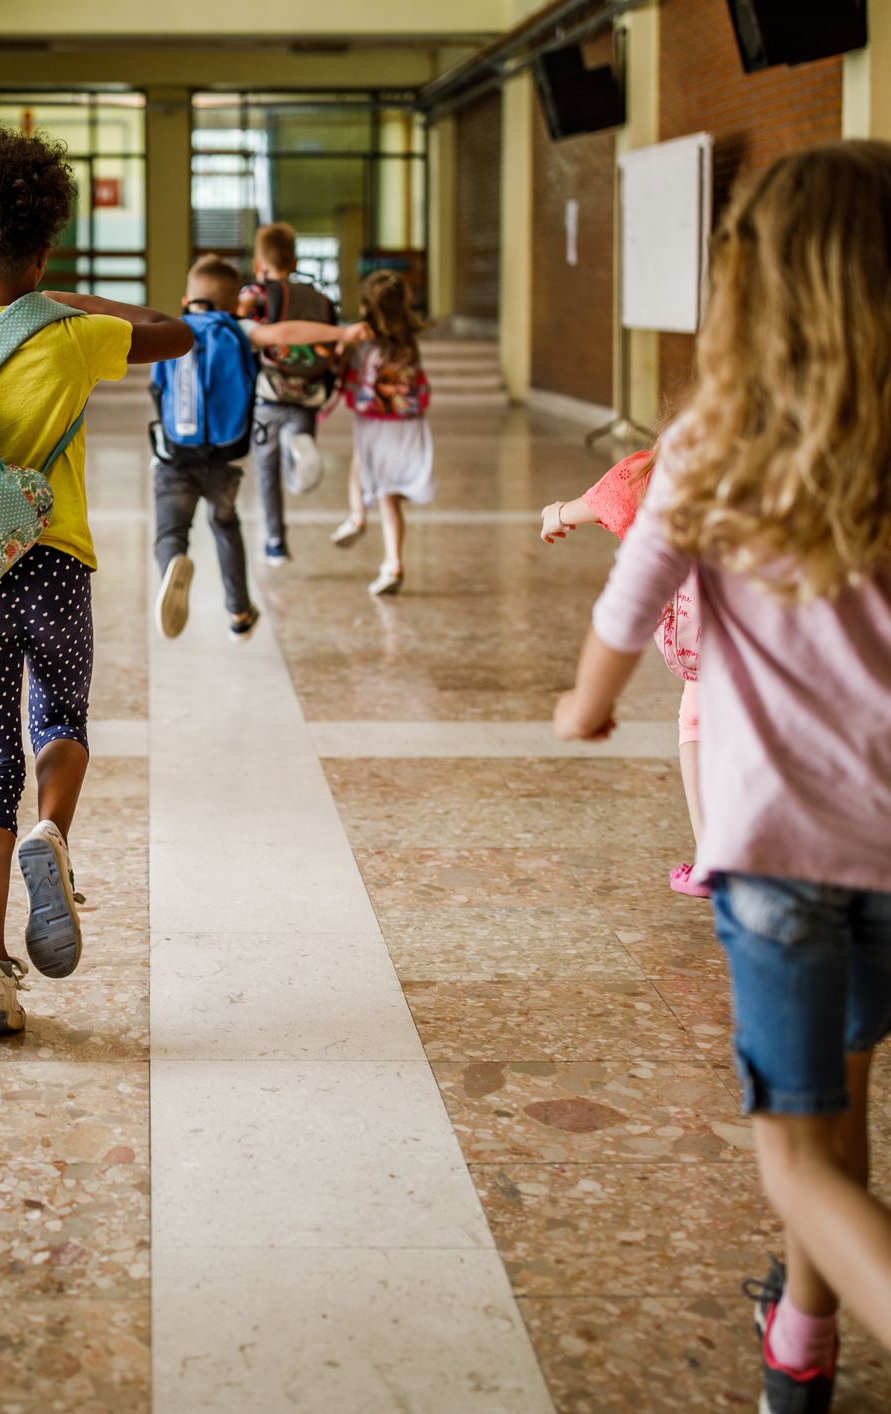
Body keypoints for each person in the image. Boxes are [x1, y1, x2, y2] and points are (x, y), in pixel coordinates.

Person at [554, 140, 891, 1414]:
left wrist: (583, 707)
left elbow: (629, 607)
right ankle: (801, 1342)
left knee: (797, 1161)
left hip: (775, 857)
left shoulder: (714, 442)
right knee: (844, 1108)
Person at [0, 125, 193, 1038]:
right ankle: (53, 834)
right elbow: (176, 334)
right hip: (54, 570)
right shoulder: (72, 341)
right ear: (46, 240)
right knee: (61, 723)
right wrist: (56, 298)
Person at [151, 254, 361, 641]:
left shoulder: (171, 328)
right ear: (234, 304)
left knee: (170, 533)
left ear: (187, 299)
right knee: (226, 525)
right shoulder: (238, 329)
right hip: (225, 459)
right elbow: (284, 334)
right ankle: (240, 612)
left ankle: (172, 567)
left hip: (174, 456)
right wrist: (341, 335)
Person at [541, 449, 708, 897]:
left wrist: (555, 513)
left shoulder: (681, 458)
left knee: (695, 721)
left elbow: (607, 500)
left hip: (711, 642)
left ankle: (712, 854)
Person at [238, 222, 342, 566]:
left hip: (270, 391)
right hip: (309, 392)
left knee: (267, 470)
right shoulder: (320, 298)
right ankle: (299, 449)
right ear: (294, 261)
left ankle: (275, 543)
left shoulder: (256, 294)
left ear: (258, 263)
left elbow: (238, 326)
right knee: (295, 446)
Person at [328, 271, 433, 596]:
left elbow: (340, 366)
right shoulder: (407, 341)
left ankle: (357, 517)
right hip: (406, 422)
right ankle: (392, 564)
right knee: (390, 497)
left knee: (359, 470)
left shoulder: (361, 338)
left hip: (373, 422)